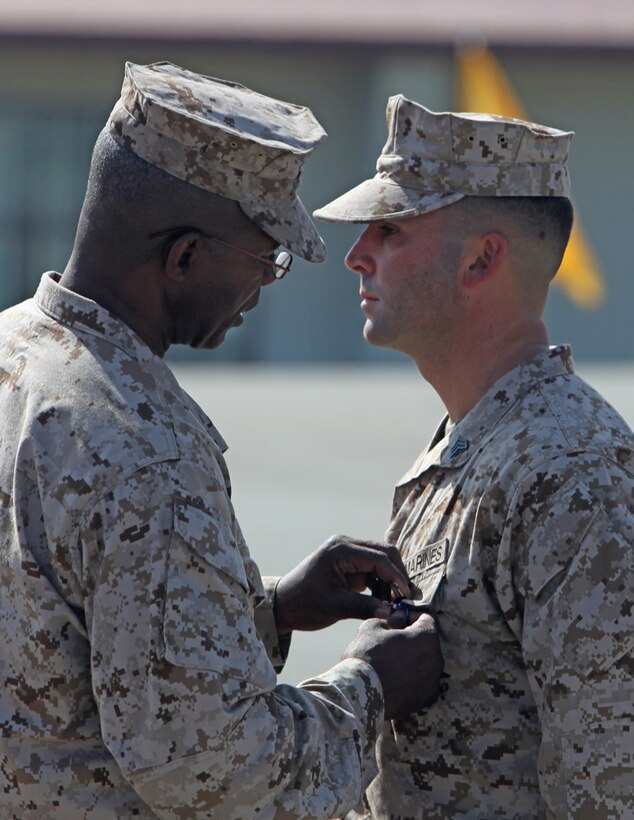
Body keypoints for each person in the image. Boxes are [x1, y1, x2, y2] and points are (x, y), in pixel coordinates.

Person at [0, 64, 443, 819]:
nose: (267, 285)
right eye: (265, 258)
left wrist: (268, 610)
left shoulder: (16, 356)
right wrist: (370, 684)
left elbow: (61, 636)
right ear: (184, 258)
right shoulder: (144, 449)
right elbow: (219, 773)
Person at [314, 96, 634, 818]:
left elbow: (609, 787)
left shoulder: (572, 474)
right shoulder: (469, 449)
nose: (357, 254)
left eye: (390, 229)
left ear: (483, 258)